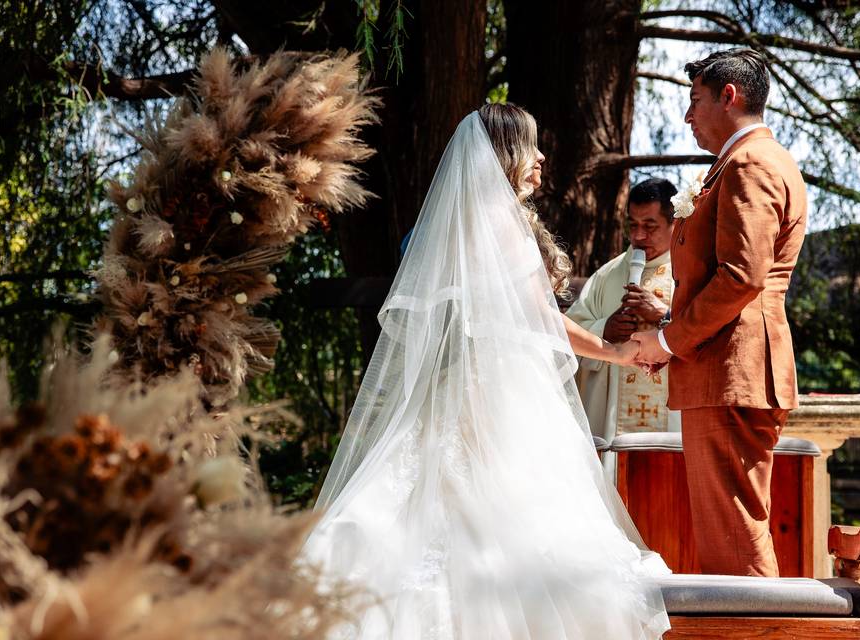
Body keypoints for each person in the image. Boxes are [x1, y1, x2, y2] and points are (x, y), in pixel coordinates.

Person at [301, 103, 670, 639]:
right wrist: (615, 353)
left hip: (485, 377)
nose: (542, 156)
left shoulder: (478, 217)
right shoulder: (498, 221)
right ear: (505, 154)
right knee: (501, 510)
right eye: (531, 145)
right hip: (500, 387)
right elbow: (540, 316)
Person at [632, 48, 807, 577]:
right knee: (728, 534)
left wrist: (667, 342)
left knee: (735, 542)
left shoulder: (751, 163)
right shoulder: (744, 161)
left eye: (694, 100)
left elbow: (741, 277)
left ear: (728, 97)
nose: (687, 116)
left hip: (733, 370)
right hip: (724, 368)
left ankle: (756, 634)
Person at [566, 178, 681, 480]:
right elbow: (567, 331)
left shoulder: (690, 272)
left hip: (673, 418)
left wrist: (664, 315)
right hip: (613, 421)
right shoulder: (608, 274)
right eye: (633, 225)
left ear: (674, 223)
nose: (639, 235)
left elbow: (709, 333)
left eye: (650, 225)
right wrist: (605, 328)